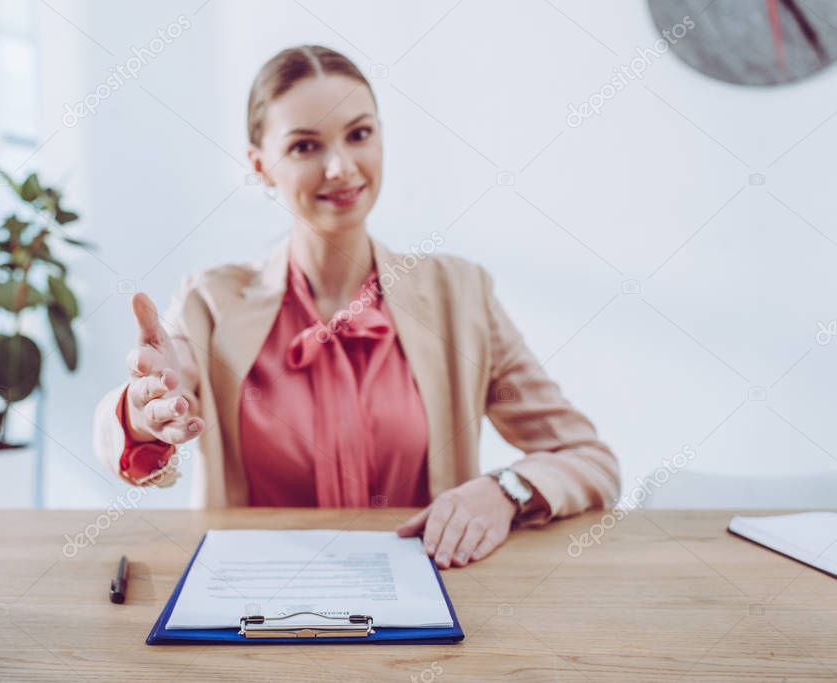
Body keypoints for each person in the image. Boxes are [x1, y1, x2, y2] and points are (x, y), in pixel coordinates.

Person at [93, 45, 620, 569]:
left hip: (429, 612)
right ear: (261, 166)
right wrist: (141, 413)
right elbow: (147, 407)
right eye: (304, 147)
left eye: (359, 134)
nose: (341, 167)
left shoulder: (460, 295)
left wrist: (505, 490)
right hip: (258, 616)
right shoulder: (209, 302)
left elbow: (590, 460)